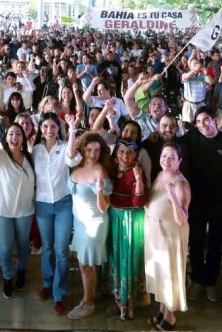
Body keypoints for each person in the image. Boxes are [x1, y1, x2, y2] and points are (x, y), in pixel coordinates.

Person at [179, 107, 222, 301]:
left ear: (215, 120)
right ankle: (197, 281)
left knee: (215, 243)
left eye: (206, 120)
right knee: (195, 243)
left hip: (220, 203)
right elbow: (169, 141)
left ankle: (210, 282)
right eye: (198, 122)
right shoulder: (190, 139)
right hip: (196, 202)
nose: (202, 125)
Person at [0, 120, 35, 299]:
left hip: (25, 210)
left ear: (23, 138)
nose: (14, 137)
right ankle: (7, 277)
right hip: (2, 210)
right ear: (6, 137)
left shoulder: (30, 157)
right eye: (11, 133)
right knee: (6, 246)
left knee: (23, 245)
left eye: (18, 134)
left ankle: (21, 271)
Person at [33, 113, 79, 315]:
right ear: (40, 129)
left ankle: (59, 293)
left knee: (61, 250)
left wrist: (72, 130)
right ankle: (47, 282)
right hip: (42, 204)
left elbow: (72, 159)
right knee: (47, 247)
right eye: (45, 126)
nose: (49, 130)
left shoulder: (64, 147)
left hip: (63, 203)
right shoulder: (35, 150)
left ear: (58, 129)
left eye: (53, 126)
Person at [144, 141, 191, 331]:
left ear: (179, 161)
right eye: (164, 156)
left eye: (172, 157)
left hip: (171, 235)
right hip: (155, 233)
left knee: (169, 274)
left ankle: (170, 317)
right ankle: (162, 310)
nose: (167, 160)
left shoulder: (181, 184)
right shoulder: (159, 175)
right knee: (159, 273)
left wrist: (172, 197)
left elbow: (182, 219)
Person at [66, 132, 112, 320]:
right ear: (82, 150)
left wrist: (100, 192)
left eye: (97, 150)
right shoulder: (75, 167)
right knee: (88, 265)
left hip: (95, 224)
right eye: (89, 149)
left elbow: (104, 207)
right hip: (80, 223)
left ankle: (89, 304)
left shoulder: (101, 172)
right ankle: (90, 296)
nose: (92, 154)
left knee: (85, 265)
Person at [107, 139, 148, 321]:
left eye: (129, 152)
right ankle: (118, 299)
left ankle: (129, 303)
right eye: (121, 152)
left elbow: (138, 202)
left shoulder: (137, 172)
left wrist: (138, 178)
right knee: (115, 260)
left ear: (136, 155)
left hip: (130, 221)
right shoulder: (112, 170)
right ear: (116, 153)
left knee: (128, 261)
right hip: (113, 218)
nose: (125, 156)